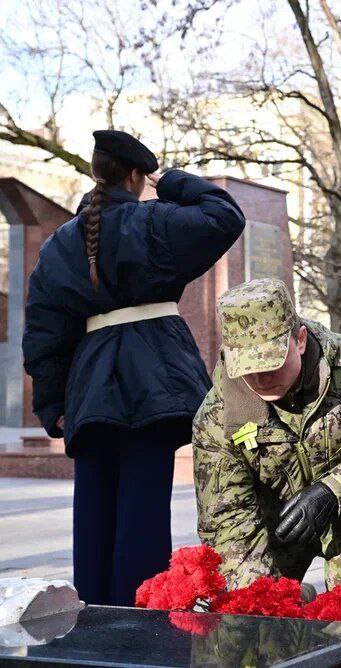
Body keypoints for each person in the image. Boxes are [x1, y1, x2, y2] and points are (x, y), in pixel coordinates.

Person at [22, 130, 246, 605]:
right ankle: (139, 628)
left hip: (89, 384)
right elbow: (225, 216)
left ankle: (94, 624)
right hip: (154, 378)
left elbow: (45, 331)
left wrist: (52, 403)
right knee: (142, 514)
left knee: (94, 514)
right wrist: (171, 182)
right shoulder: (156, 221)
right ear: (135, 175)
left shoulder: (61, 243)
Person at [192, 279, 341, 589]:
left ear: (300, 340)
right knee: (258, 618)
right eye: (247, 367)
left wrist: (331, 490)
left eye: (272, 363)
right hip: (277, 527)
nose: (261, 378)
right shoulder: (218, 416)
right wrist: (264, 599)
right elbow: (228, 523)